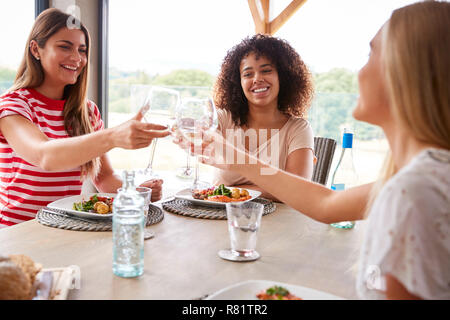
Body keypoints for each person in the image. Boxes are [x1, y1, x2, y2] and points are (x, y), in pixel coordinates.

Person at [196, 1, 450, 299]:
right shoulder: (422, 177)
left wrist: (236, 160)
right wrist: (237, 158)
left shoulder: (415, 191)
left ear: (409, 73)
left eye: (372, 54)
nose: (359, 70)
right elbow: (327, 204)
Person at [0, 8, 169, 228]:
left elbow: (104, 178)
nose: (76, 58)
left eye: (82, 50)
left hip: (66, 228)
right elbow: (45, 157)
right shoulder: (14, 105)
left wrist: (137, 192)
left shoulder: (87, 112)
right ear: (36, 49)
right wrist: (112, 136)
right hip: (18, 233)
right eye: (64, 47)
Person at [211, 34, 315, 201]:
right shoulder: (223, 119)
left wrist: (231, 191)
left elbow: (299, 190)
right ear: (238, 82)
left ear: (283, 77)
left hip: (280, 223)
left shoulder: (298, 128)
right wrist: (277, 189)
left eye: (266, 71)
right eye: (248, 74)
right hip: (220, 218)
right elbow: (192, 132)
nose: (257, 79)